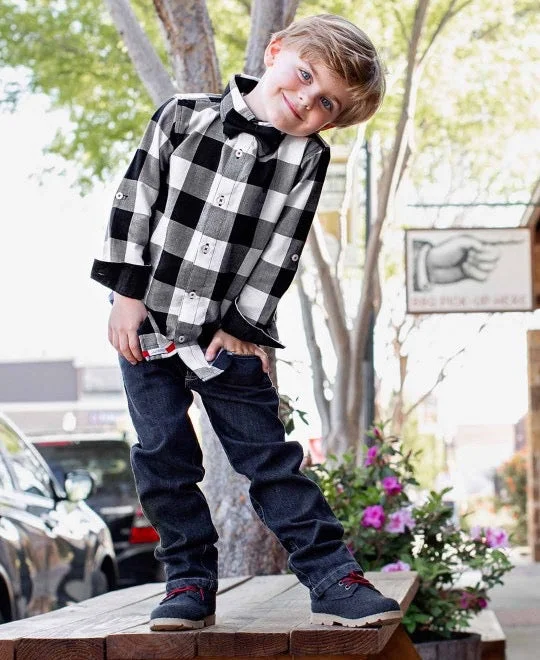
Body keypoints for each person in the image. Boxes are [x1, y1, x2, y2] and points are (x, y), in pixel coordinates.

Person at [91, 14, 401, 631]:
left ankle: (332, 576)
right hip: (148, 326)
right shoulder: (181, 116)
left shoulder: (305, 159)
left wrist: (243, 325)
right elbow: (134, 200)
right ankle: (188, 585)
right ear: (277, 49)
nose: (306, 101)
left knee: (269, 458)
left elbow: (280, 247)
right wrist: (125, 294)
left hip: (228, 336)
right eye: (305, 76)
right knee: (164, 455)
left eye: (326, 105)